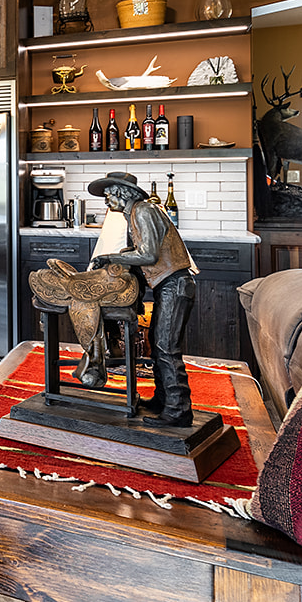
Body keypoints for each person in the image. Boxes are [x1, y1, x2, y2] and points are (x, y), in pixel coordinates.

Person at [86, 171, 197, 427]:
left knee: (166, 348)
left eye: (109, 194)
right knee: (158, 344)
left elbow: (148, 255)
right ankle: (162, 400)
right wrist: (123, 253)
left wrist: (113, 257)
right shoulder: (137, 212)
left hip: (174, 285)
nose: (106, 200)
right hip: (168, 286)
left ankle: (179, 411)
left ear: (122, 193)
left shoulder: (143, 211)